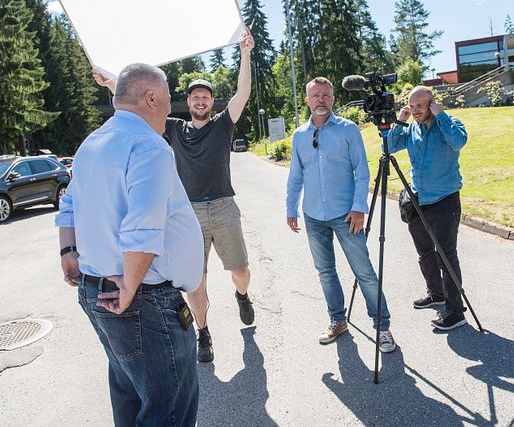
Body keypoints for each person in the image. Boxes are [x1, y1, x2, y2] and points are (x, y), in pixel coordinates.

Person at [93, 29, 255, 363]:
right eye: (195, 96)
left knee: (239, 270)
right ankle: (204, 332)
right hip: (189, 214)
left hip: (224, 208)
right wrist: (112, 83)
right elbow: (138, 106)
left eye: (206, 96)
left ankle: (242, 295)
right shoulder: (175, 129)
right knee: (197, 280)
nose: (200, 100)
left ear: (212, 102)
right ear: (189, 101)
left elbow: (242, 93)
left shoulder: (223, 124)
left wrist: (246, 53)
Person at [57, 63, 204, 426]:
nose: (170, 109)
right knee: (167, 411)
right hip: (141, 298)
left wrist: (68, 252)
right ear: (151, 98)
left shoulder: (91, 143)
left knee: (129, 399)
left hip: (98, 291)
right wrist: (132, 286)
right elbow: (144, 226)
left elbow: (69, 204)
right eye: (168, 100)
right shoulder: (148, 145)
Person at [286, 76, 396, 353]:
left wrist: (360, 207)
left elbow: (362, 171)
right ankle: (338, 320)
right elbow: (295, 176)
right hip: (313, 215)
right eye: (315, 95)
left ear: (333, 99)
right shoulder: (299, 135)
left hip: (347, 215)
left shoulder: (348, 130)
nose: (320, 100)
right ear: (308, 100)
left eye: (325, 95)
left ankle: (382, 327)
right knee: (325, 272)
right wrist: (291, 209)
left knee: (365, 272)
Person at [387, 85, 469, 331]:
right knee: (425, 253)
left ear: (432, 104)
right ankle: (436, 293)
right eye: (411, 107)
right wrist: (400, 121)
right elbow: (389, 147)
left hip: (444, 200)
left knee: (446, 256)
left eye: (419, 106)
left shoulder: (449, 123)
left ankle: (456, 311)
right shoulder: (410, 126)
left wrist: (441, 115)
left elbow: (458, 142)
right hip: (417, 200)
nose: (414, 111)